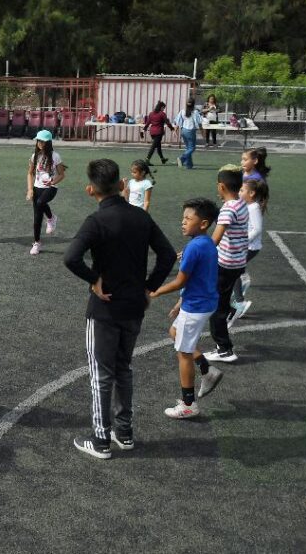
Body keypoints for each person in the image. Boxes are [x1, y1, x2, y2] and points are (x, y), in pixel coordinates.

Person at [63, 159, 176, 459]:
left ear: (91, 190)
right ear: (122, 185)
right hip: (134, 307)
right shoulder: (140, 217)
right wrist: (149, 287)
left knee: (101, 374)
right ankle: (124, 433)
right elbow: (166, 255)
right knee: (124, 367)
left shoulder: (96, 221)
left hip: (104, 309)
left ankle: (101, 439)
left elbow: (71, 258)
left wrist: (94, 280)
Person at [149, 198, 224, 419]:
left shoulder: (193, 248)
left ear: (203, 223)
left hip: (196, 307)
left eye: (188, 219)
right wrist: (181, 302)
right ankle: (206, 368)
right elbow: (200, 278)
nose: (183, 222)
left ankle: (188, 405)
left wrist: (155, 291)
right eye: (183, 218)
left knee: (184, 353)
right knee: (174, 332)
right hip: (203, 302)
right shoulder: (208, 243)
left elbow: (181, 281)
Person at [202, 166, 249, 363]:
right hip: (237, 262)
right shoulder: (241, 203)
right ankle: (230, 310)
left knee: (216, 307)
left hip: (226, 264)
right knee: (222, 298)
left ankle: (224, 349)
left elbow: (215, 239)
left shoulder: (228, 209)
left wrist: (196, 251)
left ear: (221, 186)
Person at [230, 178, 269, 324]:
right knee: (233, 270)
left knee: (231, 271)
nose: (239, 192)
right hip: (246, 246)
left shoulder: (253, 208)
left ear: (251, 193)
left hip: (249, 248)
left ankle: (239, 303)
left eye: (242, 190)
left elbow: (257, 229)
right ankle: (242, 279)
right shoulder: (247, 205)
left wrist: (243, 242)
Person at [25, 130, 66, 255]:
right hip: (37, 187)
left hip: (51, 187)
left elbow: (62, 174)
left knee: (41, 202)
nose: (40, 143)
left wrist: (53, 181)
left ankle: (51, 217)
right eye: (39, 141)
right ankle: (37, 243)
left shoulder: (55, 156)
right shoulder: (34, 156)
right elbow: (30, 173)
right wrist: (30, 189)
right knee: (37, 218)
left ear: (48, 142)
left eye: (43, 141)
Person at [142, 100, 175, 165]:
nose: (163, 109)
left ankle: (163, 159)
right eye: (163, 108)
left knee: (158, 146)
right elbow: (167, 122)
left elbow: (148, 123)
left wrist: (144, 129)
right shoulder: (162, 114)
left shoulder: (151, 113)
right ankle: (147, 160)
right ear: (161, 107)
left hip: (152, 133)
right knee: (153, 146)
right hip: (159, 132)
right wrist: (172, 129)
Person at [174, 100, 203, 169]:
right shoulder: (195, 112)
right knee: (192, 148)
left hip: (183, 130)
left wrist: (175, 131)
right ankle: (181, 158)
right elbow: (199, 122)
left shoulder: (182, 111)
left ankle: (189, 165)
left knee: (188, 148)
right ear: (193, 104)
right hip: (191, 131)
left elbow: (178, 122)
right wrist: (202, 131)